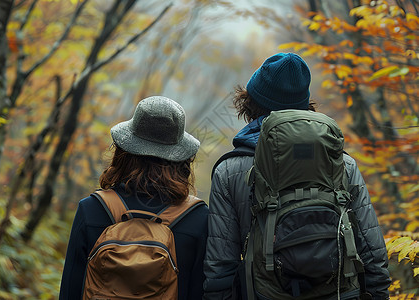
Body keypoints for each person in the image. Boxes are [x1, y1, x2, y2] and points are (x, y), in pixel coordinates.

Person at [203, 53, 391, 299]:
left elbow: (220, 265)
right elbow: (372, 251)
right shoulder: (342, 163)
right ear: (304, 103)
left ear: (250, 102)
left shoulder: (229, 170)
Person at [60, 96, 209, 300]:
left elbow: (70, 289)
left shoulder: (92, 209)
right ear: (181, 158)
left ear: (124, 150)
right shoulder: (198, 218)